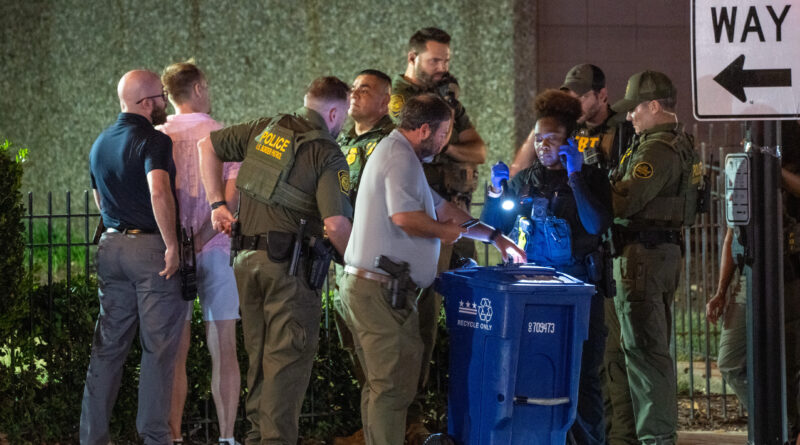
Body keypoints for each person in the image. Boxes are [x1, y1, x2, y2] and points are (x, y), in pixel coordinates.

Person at [339, 94, 524, 445]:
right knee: (391, 387)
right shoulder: (398, 157)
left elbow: (442, 209)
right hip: (380, 291)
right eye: (444, 133)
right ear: (424, 129)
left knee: (384, 386)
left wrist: (495, 237)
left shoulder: (403, 156)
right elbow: (405, 217)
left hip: (383, 290)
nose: (445, 142)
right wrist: (445, 234)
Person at [197, 76, 353, 445]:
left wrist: (217, 203)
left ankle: (257, 438)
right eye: (344, 115)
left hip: (246, 262)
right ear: (334, 112)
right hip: (289, 272)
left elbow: (207, 146)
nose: (343, 123)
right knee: (285, 365)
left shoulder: (263, 129)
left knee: (260, 361)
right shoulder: (327, 152)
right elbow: (335, 224)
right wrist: (359, 265)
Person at [481, 89, 612, 445]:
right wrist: (495, 192)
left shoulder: (592, 177)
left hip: (579, 290)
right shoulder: (525, 180)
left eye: (552, 138)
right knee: (534, 369)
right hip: (532, 289)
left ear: (570, 140)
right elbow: (494, 229)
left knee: (583, 376)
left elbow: (596, 225)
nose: (543, 146)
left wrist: (575, 176)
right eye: (539, 138)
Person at [388, 27, 487, 439]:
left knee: (468, 312)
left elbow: (479, 149)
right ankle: (410, 418)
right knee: (421, 320)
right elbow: (411, 146)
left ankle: (452, 408)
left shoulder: (448, 100)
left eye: (446, 60)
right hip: (423, 220)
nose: (443, 67)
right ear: (412, 58)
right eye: (435, 60)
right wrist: (449, 143)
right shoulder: (399, 100)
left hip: (452, 216)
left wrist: (445, 144)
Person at [80, 69, 186, 445]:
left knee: (107, 348)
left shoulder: (100, 142)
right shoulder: (154, 140)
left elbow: (98, 197)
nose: (164, 102)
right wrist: (172, 244)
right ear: (146, 102)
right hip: (149, 250)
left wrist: (117, 223)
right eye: (160, 96)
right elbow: (159, 190)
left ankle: (92, 438)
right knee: (158, 349)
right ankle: (155, 437)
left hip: (111, 247)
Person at [608, 70, 703, 445]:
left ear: (653, 106)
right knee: (645, 350)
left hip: (643, 257)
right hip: (656, 254)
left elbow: (624, 200)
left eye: (635, 108)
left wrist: (594, 186)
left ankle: (656, 439)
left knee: (645, 352)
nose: (630, 115)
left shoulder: (656, 150)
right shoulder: (677, 143)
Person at [157, 61, 241, 445]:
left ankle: (174, 436)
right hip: (217, 249)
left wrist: (182, 245)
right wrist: (203, 238)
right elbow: (230, 202)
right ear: (199, 87)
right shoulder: (223, 136)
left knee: (175, 351)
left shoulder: (157, 137)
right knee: (223, 346)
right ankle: (227, 436)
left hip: (172, 251)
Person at [706, 121, 800, 442]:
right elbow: (733, 231)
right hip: (751, 277)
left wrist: (773, 170)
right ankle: (779, 424)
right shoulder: (747, 170)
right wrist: (721, 290)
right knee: (730, 362)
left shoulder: (784, 175)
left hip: (789, 279)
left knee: (787, 367)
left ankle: (783, 429)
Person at [559, 63, 637, 445]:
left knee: (619, 355)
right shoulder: (572, 133)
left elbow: (623, 192)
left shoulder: (623, 131)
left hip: (620, 249)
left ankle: (624, 437)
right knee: (596, 360)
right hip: (591, 254)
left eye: (581, 95)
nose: (574, 101)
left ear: (602, 95)